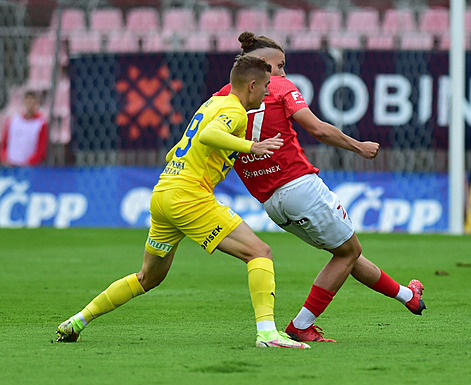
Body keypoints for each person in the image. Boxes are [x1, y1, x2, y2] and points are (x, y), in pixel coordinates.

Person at [56, 55, 309, 349]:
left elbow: (175, 151)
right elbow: (209, 135)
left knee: (148, 277)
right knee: (259, 252)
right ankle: (267, 335)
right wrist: (252, 145)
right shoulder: (235, 112)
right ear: (251, 85)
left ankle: (77, 321)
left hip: (164, 193)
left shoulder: (211, 104)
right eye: (265, 86)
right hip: (189, 196)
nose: (268, 92)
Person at [214, 32, 426, 343]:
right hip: (301, 188)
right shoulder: (281, 87)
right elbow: (316, 128)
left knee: (345, 253)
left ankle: (408, 296)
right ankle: (301, 325)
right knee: (348, 252)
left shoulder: (220, 98)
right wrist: (359, 146)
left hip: (272, 203)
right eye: (280, 65)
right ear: (262, 67)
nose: (283, 73)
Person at [1, 90, 48, 166]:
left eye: (33, 101)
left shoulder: (41, 124)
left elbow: (41, 149)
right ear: (24, 102)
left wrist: (29, 163)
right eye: (28, 101)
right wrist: (4, 158)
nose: (30, 104)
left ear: (37, 103)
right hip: (10, 165)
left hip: (28, 167)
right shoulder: (12, 121)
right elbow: (4, 143)